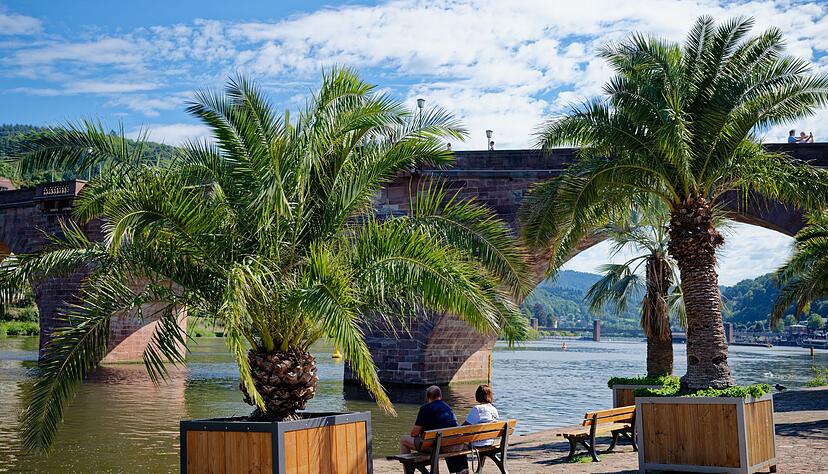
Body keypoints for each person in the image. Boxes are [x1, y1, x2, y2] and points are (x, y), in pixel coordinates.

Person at [400, 386, 469, 473]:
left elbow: (414, 433)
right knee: (436, 442)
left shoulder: (425, 409)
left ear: (428, 397)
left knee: (403, 440)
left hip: (440, 447)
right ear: (440, 396)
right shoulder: (447, 407)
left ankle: (408, 471)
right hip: (455, 445)